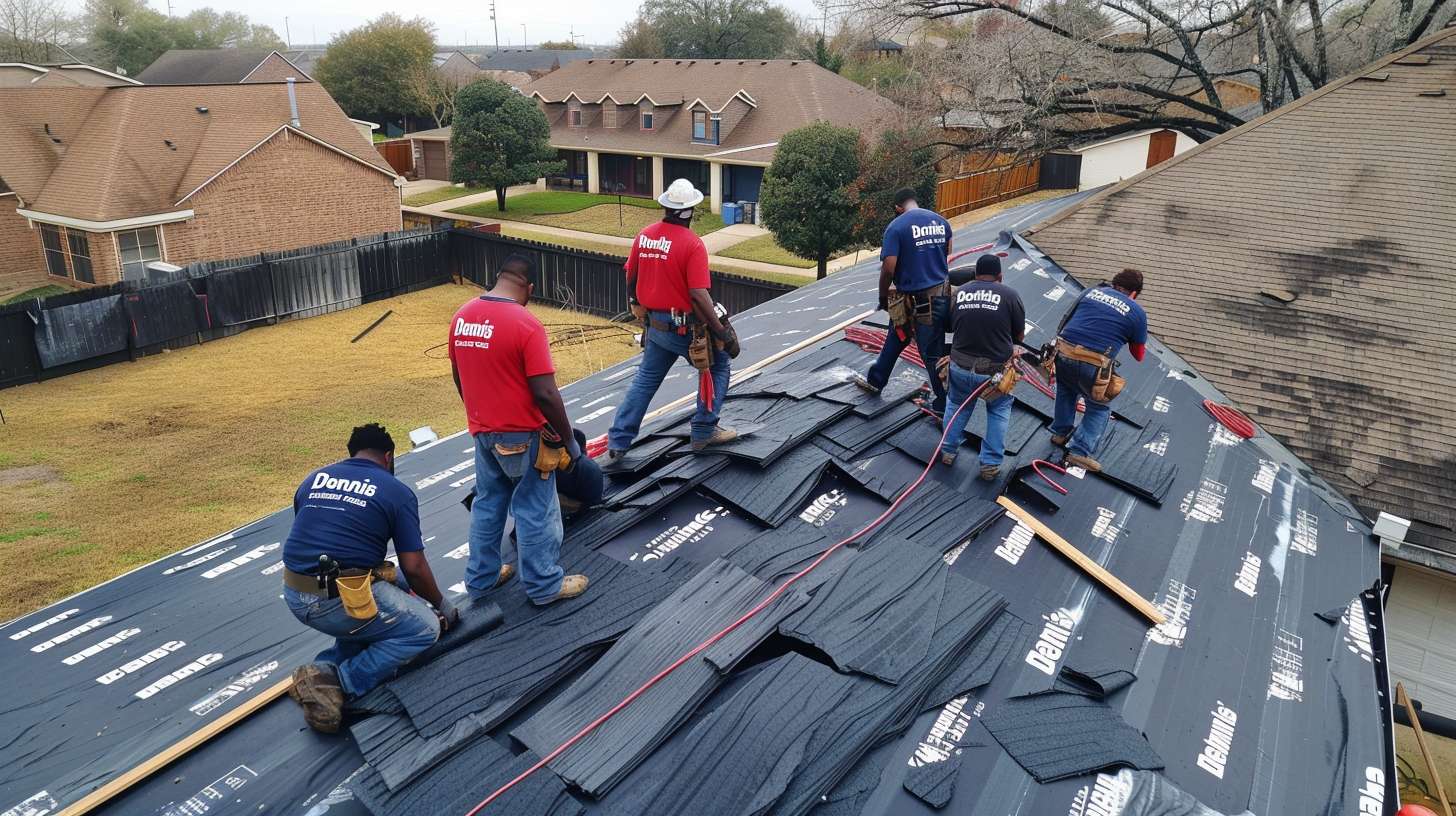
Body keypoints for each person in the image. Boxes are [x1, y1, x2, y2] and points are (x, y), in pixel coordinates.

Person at [282, 423, 455, 733]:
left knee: (395, 582)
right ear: (388, 457)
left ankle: (322, 668)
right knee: (424, 629)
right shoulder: (395, 491)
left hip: (295, 592)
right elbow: (415, 566)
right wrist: (442, 604)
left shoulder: (314, 479)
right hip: (332, 601)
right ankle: (341, 683)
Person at [450, 254, 588, 607]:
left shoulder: (462, 318)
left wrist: (480, 416)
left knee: (488, 504)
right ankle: (544, 586)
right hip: (522, 437)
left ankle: (481, 580)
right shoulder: (525, 324)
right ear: (528, 287)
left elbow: (459, 376)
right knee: (535, 509)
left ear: (498, 277)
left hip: (483, 432)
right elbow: (545, 392)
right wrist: (569, 442)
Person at [606, 178, 740, 460]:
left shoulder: (645, 236)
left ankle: (618, 441)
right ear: (690, 210)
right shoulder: (692, 244)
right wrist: (721, 333)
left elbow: (631, 275)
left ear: (667, 206)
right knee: (718, 367)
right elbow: (698, 295)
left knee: (645, 380)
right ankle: (704, 431)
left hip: (655, 326)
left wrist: (634, 301)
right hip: (684, 330)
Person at [855, 188, 953, 414]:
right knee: (897, 336)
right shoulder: (941, 222)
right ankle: (876, 379)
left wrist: (882, 296)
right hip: (937, 295)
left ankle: (944, 404)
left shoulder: (896, 227)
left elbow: (888, 268)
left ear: (898, 208)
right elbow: (947, 251)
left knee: (931, 353)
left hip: (920, 301)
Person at [1050, 269, 1149, 472]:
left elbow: (1067, 319)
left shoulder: (1091, 292)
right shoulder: (1136, 312)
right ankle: (1079, 452)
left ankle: (1060, 434)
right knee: (1098, 407)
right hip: (1094, 363)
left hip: (1063, 351)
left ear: (1114, 284)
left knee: (1066, 391)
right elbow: (1139, 355)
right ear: (1134, 293)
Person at [940, 254, 1025, 480]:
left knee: (957, 405)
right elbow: (1019, 335)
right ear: (1000, 276)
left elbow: (949, 326)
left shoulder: (961, 292)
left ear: (976, 273)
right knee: (998, 411)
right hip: (994, 372)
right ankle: (990, 465)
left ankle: (947, 451)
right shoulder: (1010, 295)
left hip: (959, 365)